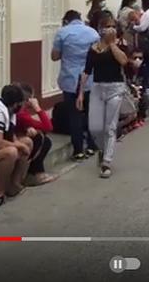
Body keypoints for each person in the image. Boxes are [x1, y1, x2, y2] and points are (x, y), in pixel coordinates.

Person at [76, 16, 128, 178]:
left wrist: (112, 43)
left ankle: (106, 162)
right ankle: (102, 149)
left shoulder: (120, 45)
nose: (110, 29)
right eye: (107, 26)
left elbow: (124, 61)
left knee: (110, 127)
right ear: (100, 29)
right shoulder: (93, 49)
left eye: (113, 26)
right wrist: (80, 94)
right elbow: (86, 71)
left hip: (115, 88)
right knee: (95, 128)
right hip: (98, 88)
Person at [51, 10, 100, 161]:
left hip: (70, 80)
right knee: (92, 113)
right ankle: (92, 146)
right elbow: (98, 54)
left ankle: (78, 150)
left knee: (74, 116)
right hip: (90, 79)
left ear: (66, 20)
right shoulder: (93, 33)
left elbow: (55, 56)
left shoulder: (62, 33)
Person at [14, 83, 58, 186]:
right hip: (14, 142)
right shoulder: (21, 114)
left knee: (43, 138)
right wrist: (37, 108)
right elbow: (48, 127)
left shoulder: (21, 111)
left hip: (17, 137)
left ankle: (38, 172)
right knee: (41, 139)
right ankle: (33, 174)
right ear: (28, 100)